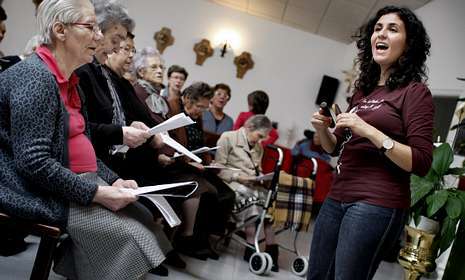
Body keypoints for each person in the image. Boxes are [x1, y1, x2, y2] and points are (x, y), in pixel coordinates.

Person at [0, 0, 170, 279]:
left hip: (74, 180)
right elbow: (33, 163)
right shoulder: (36, 77)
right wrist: (97, 193)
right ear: (60, 30)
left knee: (143, 219)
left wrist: (113, 180)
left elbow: (83, 141)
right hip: (31, 188)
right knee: (131, 238)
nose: (100, 37)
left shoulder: (71, 80)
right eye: (91, 27)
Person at [307, 6, 434, 279]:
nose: (381, 33)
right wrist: (323, 130)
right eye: (378, 28)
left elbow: (422, 161)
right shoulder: (362, 91)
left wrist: (369, 130)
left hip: (376, 203)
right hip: (337, 196)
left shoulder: (415, 92)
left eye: (392, 29)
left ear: (409, 43)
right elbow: (336, 147)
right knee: (317, 276)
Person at [215, 115, 280, 272]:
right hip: (231, 184)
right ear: (249, 127)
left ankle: (272, 249)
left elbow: (257, 169)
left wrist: (262, 178)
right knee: (252, 198)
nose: (260, 141)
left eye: (263, 138)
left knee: (268, 201)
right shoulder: (228, 138)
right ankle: (251, 245)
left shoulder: (258, 147)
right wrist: (239, 177)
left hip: (250, 185)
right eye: (259, 136)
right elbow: (218, 169)